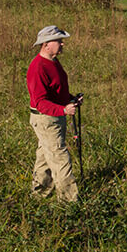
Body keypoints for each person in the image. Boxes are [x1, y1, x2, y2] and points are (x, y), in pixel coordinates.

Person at [26, 25, 83, 202]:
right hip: (46, 119)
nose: (62, 44)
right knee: (60, 158)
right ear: (46, 44)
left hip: (54, 117)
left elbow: (56, 91)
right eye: (58, 41)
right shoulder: (37, 68)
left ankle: (39, 194)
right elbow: (41, 102)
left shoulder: (54, 62)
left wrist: (71, 99)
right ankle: (69, 202)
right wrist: (63, 109)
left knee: (45, 156)